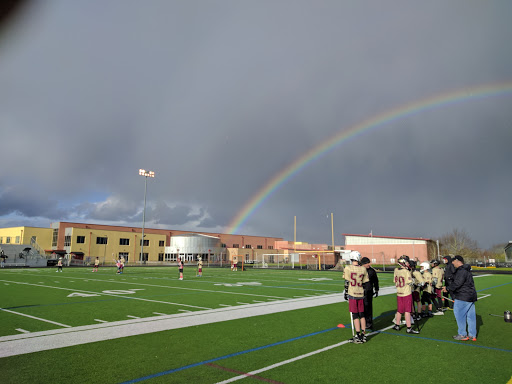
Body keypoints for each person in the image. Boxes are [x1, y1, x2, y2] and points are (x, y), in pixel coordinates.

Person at [443, 255, 478, 341]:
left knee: (460, 315)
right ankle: (472, 335)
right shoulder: (466, 270)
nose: (453, 263)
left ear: (458, 261)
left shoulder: (461, 271)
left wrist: (447, 288)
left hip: (463, 296)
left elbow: (458, 283)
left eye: (454, 261)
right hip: (470, 296)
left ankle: (462, 334)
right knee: (471, 316)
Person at [343, 251, 369, 343]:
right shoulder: (363, 269)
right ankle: (363, 334)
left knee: (355, 315)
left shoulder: (348, 268)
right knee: (362, 314)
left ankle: (358, 335)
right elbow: (365, 283)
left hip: (353, 293)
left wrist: (346, 292)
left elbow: (346, 282)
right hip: (361, 293)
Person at [393, 255, 419, 334]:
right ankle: (409, 328)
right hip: (406, 293)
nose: (408, 263)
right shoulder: (406, 271)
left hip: (399, 293)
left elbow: (395, 281)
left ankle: (397, 325)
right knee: (407, 311)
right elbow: (410, 282)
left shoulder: (396, 270)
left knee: (399, 310)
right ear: (403, 263)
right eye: (406, 262)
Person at [360, 257, 379, 331]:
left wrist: (376, 289)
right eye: (367, 263)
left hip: (368, 291)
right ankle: (362, 322)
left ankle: (369, 323)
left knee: (368, 307)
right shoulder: (359, 270)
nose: (369, 264)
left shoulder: (371, 271)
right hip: (360, 291)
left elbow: (376, 281)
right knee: (361, 308)